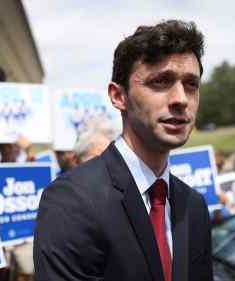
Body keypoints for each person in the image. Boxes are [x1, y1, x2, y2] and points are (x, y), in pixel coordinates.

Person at [34, 20, 212, 281]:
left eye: (191, 85)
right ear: (119, 96)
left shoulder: (193, 206)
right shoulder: (72, 201)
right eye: (161, 81)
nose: (180, 99)